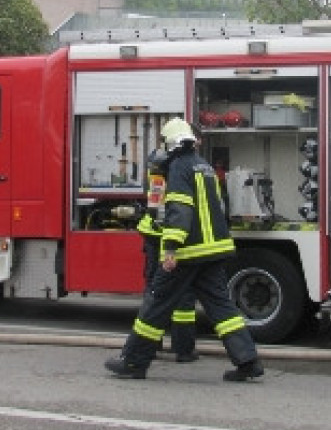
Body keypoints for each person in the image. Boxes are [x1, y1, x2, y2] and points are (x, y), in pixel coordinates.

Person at [105, 117, 263, 382]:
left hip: (189, 252)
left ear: (170, 143)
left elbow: (180, 210)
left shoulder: (178, 166)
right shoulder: (205, 166)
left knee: (157, 303)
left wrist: (170, 247)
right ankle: (248, 361)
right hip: (214, 250)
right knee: (222, 308)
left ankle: (133, 362)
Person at [131, 148, 198, 363]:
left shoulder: (156, 178)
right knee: (183, 294)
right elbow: (164, 212)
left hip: (154, 237)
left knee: (154, 293)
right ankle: (183, 349)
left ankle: (150, 346)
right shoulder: (168, 178)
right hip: (166, 238)